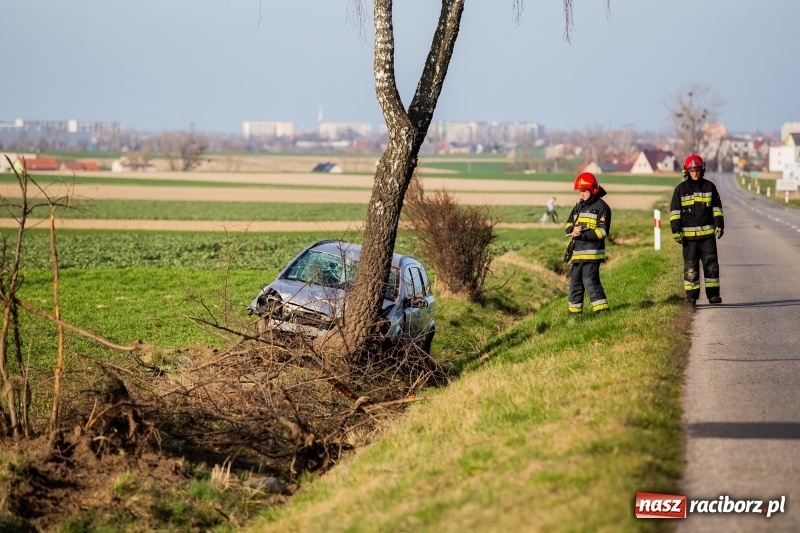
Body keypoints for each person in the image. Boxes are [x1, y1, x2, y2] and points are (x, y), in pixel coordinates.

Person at [670, 153, 724, 306]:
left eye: (697, 170)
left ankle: (713, 296)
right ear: (686, 171)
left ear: (702, 170)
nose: (695, 173)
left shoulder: (710, 187)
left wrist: (719, 225)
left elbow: (717, 209)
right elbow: (675, 213)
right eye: (692, 170)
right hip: (689, 239)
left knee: (711, 266)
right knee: (691, 268)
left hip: (707, 237)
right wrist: (676, 230)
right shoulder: (680, 190)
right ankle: (691, 298)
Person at [565, 172, 611, 315]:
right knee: (575, 285)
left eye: (584, 190)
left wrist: (583, 234)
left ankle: (602, 313)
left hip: (592, 254)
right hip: (578, 254)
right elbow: (568, 225)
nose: (581, 194)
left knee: (590, 282)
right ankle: (574, 316)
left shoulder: (603, 207)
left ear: (593, 190)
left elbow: (602, 232)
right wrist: (573, 229)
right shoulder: (578, 206)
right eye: (580, 191)